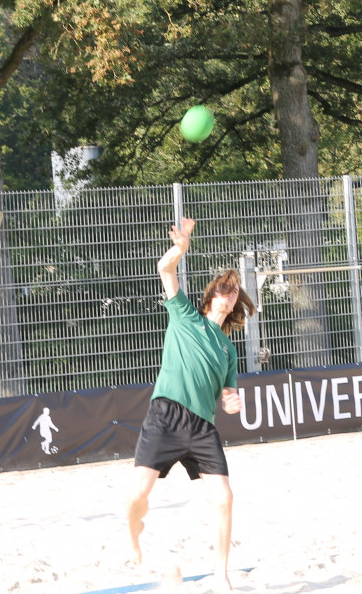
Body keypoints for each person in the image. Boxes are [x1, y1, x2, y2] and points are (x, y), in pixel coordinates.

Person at [126, 217, 254, 590]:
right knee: (137, 496)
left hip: (201, 426)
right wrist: (179, 251)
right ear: (211, 295)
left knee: (224, 497)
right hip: (164, 417)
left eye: (234, 292)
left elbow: (228, 395)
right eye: (224, 289)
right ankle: (134, 538)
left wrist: (232, 402)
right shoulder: (184, 315)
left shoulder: (228, 349)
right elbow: (164, 269)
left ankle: (221, 573)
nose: (229, 294)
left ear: (233, 305)